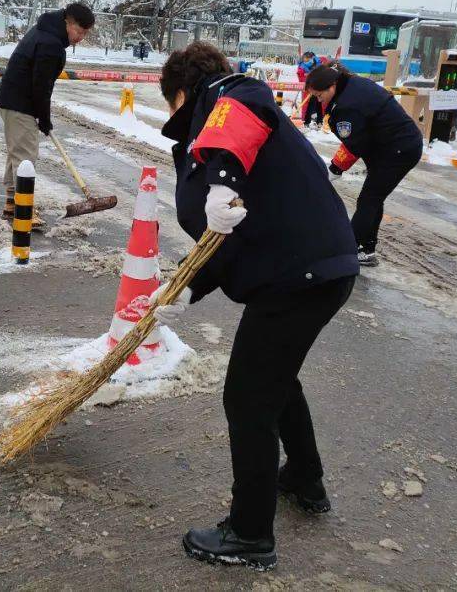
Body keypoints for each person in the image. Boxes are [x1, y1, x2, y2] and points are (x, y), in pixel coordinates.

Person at [153, 42, 358, 571]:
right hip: (306, 271)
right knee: (274, 377)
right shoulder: (208, 135)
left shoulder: (232, 96)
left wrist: (221, 178)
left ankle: (249, 534)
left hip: (301, 272)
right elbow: (224, 238)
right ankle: (305, 479)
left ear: (181, 92)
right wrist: (183, 289)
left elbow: (243, 104)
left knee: (248, 398)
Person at [305, 63, 423, 267]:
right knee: (373, 197)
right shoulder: (349, 84)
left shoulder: (347, 105)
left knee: (369, 199)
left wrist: (335, 168)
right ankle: (366, 250)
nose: (318, 99)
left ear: (331, 86)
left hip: (397, 150)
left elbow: (355, 143)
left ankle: (348, 251)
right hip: (392, 145)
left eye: (318, 95)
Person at [0, 2, 95, 222]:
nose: (80, 37)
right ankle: (23, 208)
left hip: (14, 99)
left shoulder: (47, 31)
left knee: (17, 153)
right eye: (79, 31)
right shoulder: (51, 43)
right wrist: (44, 117)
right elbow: (42, 86)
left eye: (85, 33)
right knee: (25, 156)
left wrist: (41, 115)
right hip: (19, 102)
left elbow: (40, 82)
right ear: (68, 22)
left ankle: (13, 203)